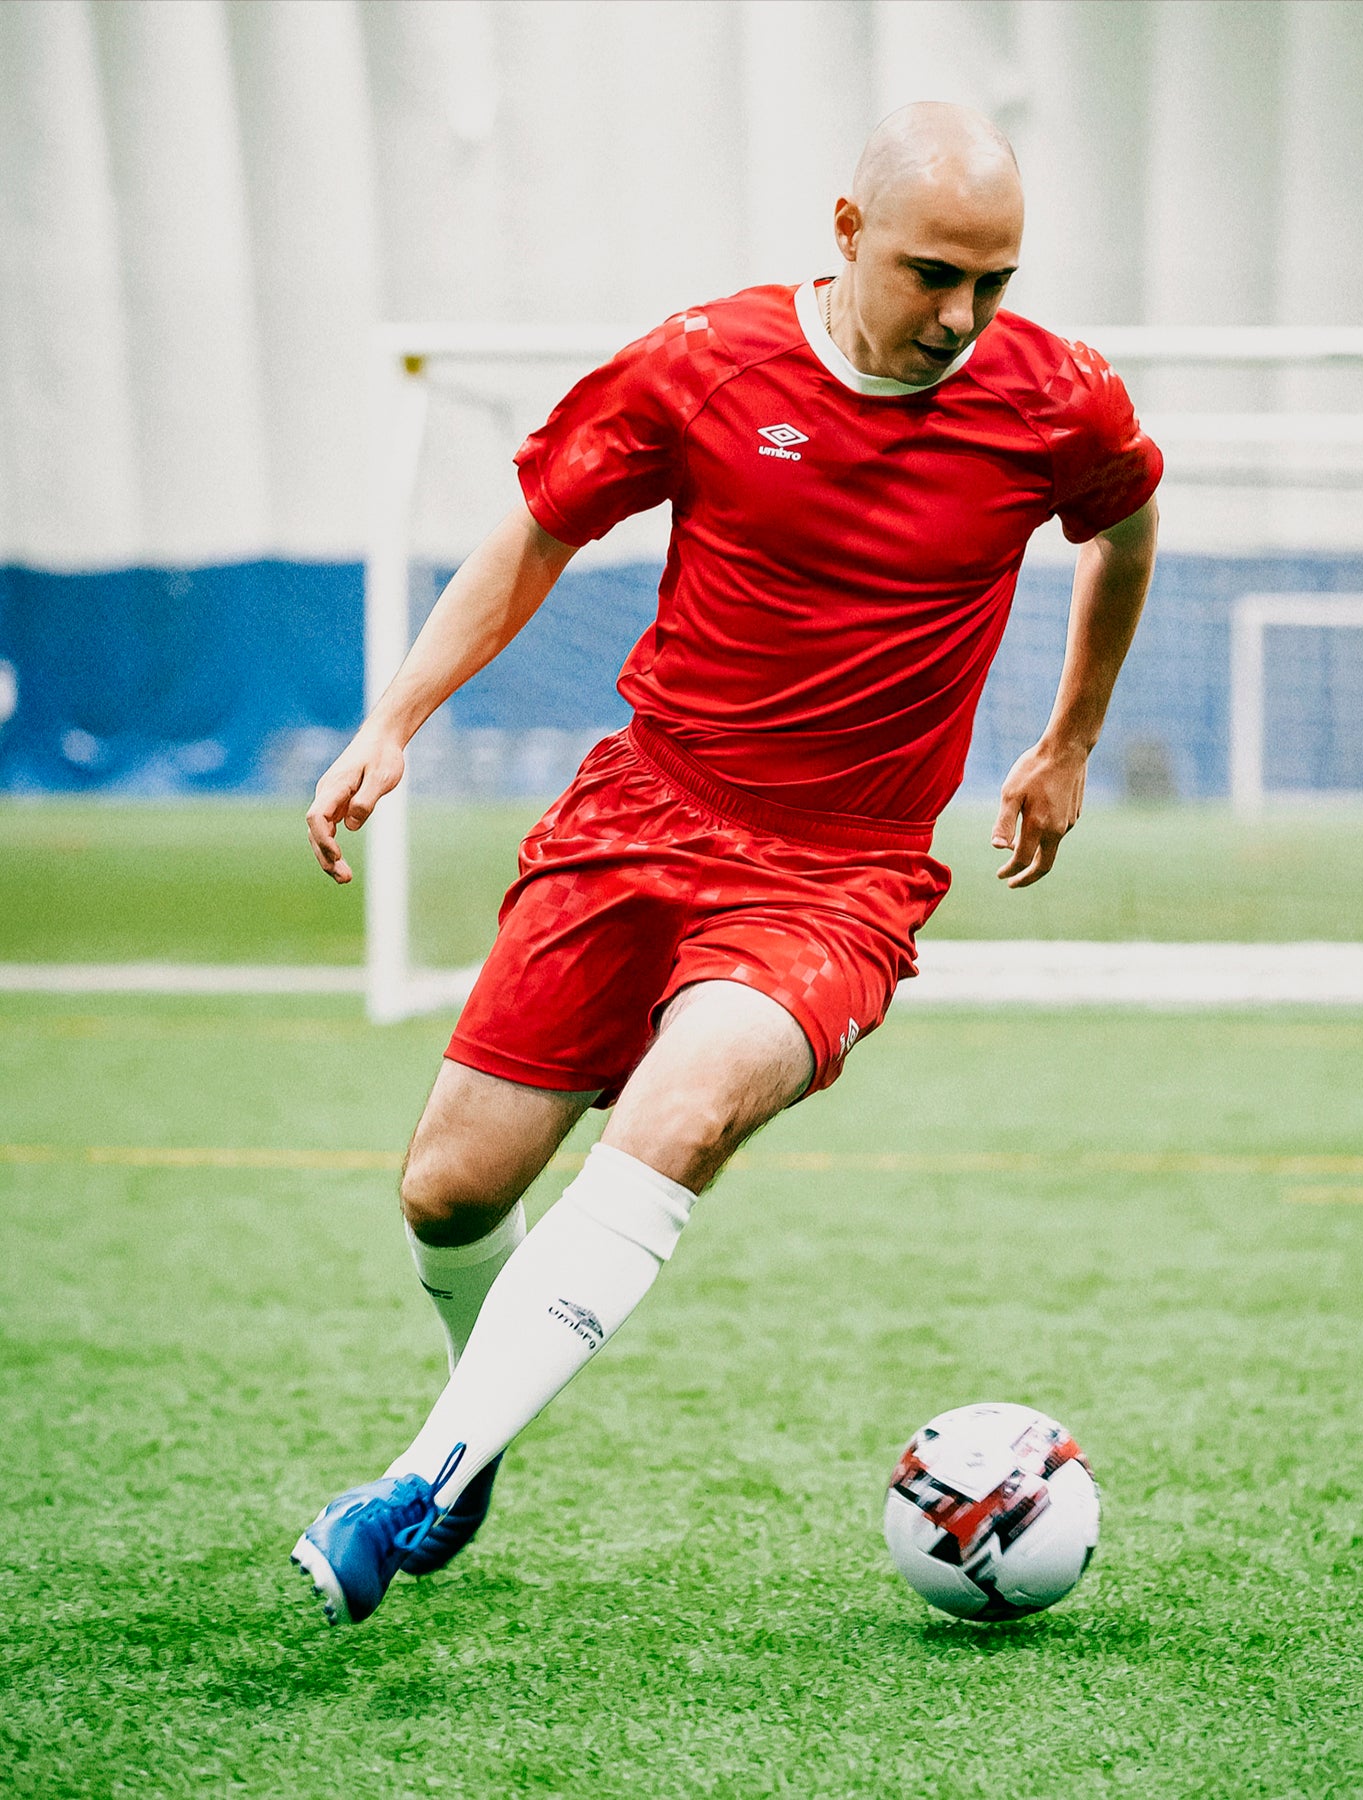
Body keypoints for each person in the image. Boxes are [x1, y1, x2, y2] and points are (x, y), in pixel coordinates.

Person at [291, 100, 1161, 1626]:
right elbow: (537, 529)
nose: (962, 316)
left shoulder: (1055, 398)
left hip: (842, 876)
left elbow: (1128, 518)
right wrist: (396, 718)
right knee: (448, 1191)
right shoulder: (704, 361)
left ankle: (420, 1478)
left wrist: (1072, 732)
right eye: (931, 273)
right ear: (845, 233)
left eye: (995, 281)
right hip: (645, 813)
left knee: (681, 1115)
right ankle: (476, 1414)